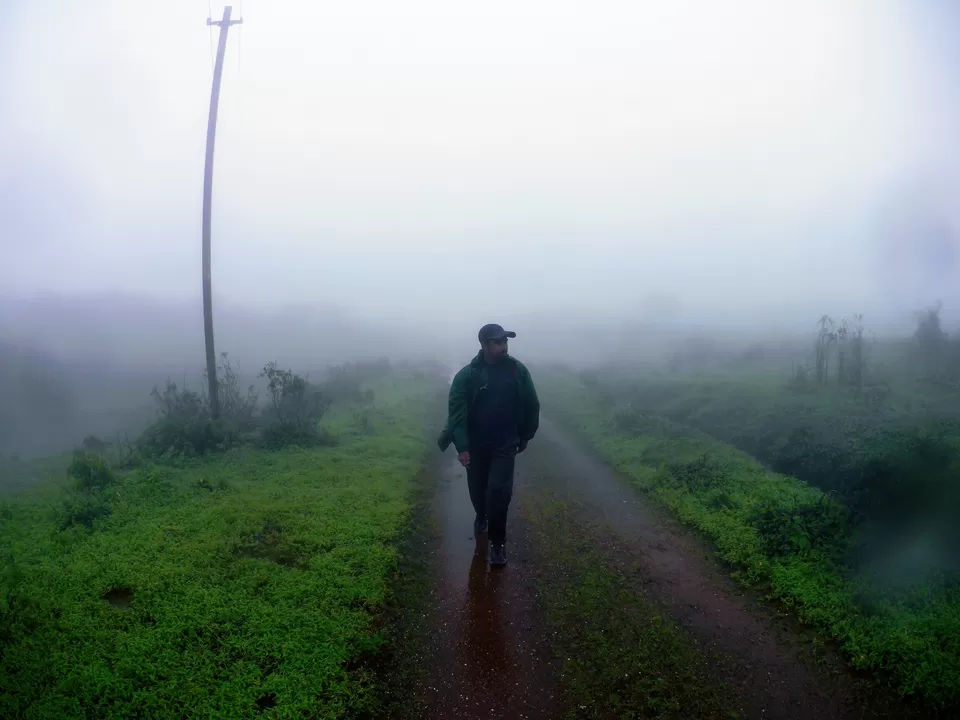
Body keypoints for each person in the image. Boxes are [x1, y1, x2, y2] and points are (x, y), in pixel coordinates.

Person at [437, 323, 541, 567]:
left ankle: (497, 542)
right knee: (477, 488)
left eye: (505, 342)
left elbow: (531, 404)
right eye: (497, 342)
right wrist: (462, 446)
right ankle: (481, 515)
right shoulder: (467, 376)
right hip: (476, 444)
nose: (503, 346)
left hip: (505, 442)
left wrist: (525, 435)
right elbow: (457, 414)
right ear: (484, 345)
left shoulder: (517, 371)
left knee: (499, 491)